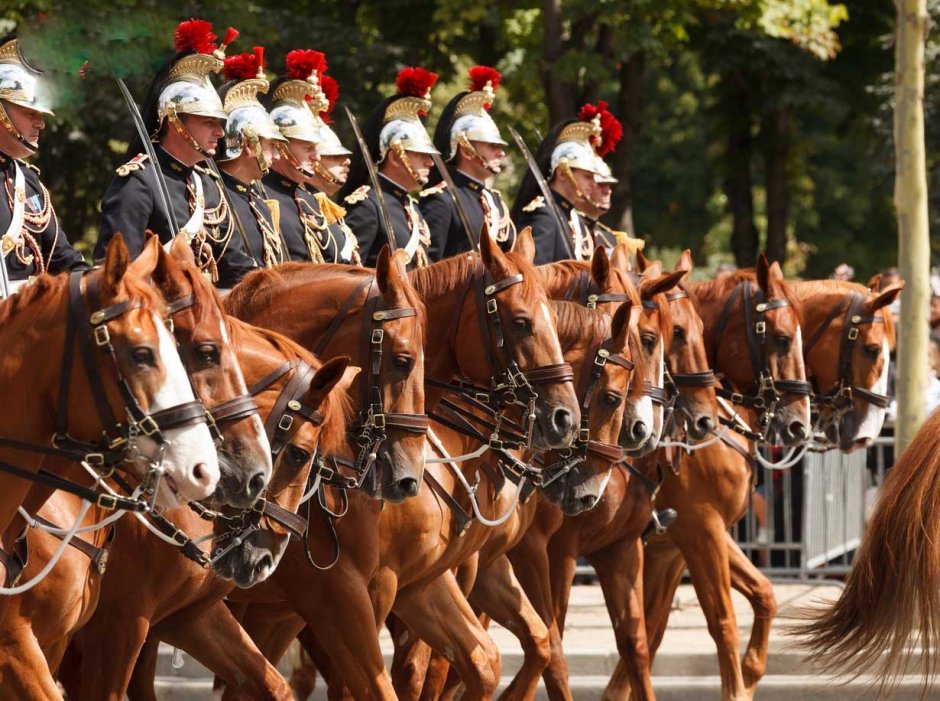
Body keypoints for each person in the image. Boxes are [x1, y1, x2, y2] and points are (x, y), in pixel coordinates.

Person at [95, 19, 257, 287]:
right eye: (209, 122)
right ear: (175, 122)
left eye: (219, 123)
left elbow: (235, 265)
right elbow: (118, 278)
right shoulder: (138, 182)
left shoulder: (207, 184)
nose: (219, 132)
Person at [0, 35, 87, 288]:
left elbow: (60, 257)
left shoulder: (27, 180)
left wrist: (96, 281)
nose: (41, 123)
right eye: (30, 113)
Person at [338, 67, 437, 269]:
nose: (430, 162)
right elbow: (350, 275)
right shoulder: (368, 206)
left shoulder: (412, 207)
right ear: (394, 157)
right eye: (421, 155)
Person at [266, 49, 358, 264]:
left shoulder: (310, 200)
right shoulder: (263, 196)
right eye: (308, 147)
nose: (317, 157)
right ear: (281, 145)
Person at [513, 101, 633, 264]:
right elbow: (533, 277)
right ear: (562, 173)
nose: (593, 183)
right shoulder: (544, 215)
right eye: (587, 176)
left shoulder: (574, 219)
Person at [419, 65, 515, 259]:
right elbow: (428, 274)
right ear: (467, 150)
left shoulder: (495, 202)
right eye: (491, 146)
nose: (501, 153)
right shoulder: (442, 201)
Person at [215, 46, 288, 276]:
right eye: (271, 146)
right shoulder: (215, 196)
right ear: (249, 143)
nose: (277, 157)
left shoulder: (257, 200)